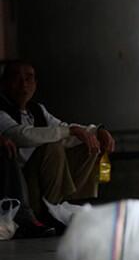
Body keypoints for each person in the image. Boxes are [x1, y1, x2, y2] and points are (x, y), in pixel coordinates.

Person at [0, 60, 115, 227]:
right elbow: (20, 135)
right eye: (16, 78)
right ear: (4, 83)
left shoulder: (37, 110)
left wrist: (97, 131)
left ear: (35, 83)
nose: (23, 84)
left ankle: (58, 205)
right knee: (53, 146)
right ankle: (49, 211)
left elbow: (65, 128)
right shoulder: (2, 109)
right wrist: (71, 131)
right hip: (21, 189)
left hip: (43, 185)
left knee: (87, 142)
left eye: (29, 78)